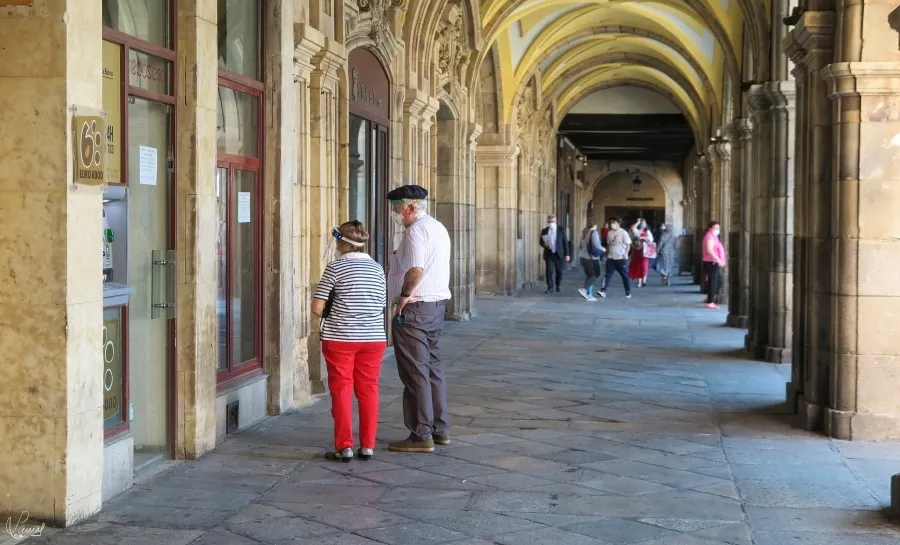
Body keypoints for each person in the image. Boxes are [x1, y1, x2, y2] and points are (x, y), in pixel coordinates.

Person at [312, 221, 387, 463]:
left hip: (340, 339)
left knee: (342, 390)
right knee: (369, 390)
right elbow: (380, 304)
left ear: (341, 242)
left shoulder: (335, 268)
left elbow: (317, 307)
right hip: (373, 338)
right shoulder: (377, 269)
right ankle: (368, 446)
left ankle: (344, 446)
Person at [386, 184, 452, 454]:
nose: (396, 213)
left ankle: (420, 435)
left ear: (411, 207)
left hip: (415, 309)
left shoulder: (415, 231)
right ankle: (439, 430)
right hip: (434, 308)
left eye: (398, 207)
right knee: (432, 369)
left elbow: (416, 270)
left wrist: (403, 296)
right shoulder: (437, 227)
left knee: (415, 372)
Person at [598, 216, 632, 299]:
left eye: (614, 222)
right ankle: (603, 290)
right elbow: (608, 245)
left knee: (624, 276)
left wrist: (625, 253)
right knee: (607, 275)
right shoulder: (609, 233)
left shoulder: (623, 232)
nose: (612, 224)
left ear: (618, 223)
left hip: (621, 258)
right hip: (611, 258)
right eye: (611, 222)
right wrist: (606, 254)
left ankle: (628, 292)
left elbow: (628, 244)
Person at [539, 214, 570, 293]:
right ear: (548, 221)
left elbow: (565, 242)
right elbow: (541, 242)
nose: (551, 223)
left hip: (559, 254)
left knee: (559, 271)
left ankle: (558, 285)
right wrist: (544, 244)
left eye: (553, 221)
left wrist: (567, 254)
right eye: (550, 222)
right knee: (549, 271)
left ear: (556, 221)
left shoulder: (561, 229)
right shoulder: (544, 230)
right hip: (549, 254)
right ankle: (550, 287)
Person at [577, 221, 605, 301]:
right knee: (595, 275)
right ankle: (584, 289)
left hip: (582, 257)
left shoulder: (584, 232)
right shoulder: (593, 233)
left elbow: (580, 246)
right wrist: (603, 249)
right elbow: (597, 245)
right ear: (595, 225)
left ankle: (588, 294)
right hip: (591, 258)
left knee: (589, 275)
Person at [702, 220, 727, 309]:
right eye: (715, 228)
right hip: (711, 262)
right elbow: (709, 250)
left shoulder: (713, 237)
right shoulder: (710, 237)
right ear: (710, 228)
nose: (717, 230)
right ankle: (710, 302)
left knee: (718, 282)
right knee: (713, 282)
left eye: (718, 228)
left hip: (712, 262)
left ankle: (709, 297)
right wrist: (719, 260)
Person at [628, 219, 653, 288]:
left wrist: (643, 237)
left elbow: (650, 240)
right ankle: (639, 282)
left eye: (644, 223)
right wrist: (638, 222)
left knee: (644, 265)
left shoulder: (647, 231)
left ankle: (644, 281)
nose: (643, 224)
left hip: (645, 251)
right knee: (637, 266)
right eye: (642, 223)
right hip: (637, 250)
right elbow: (632, 228)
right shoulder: (636, 231)